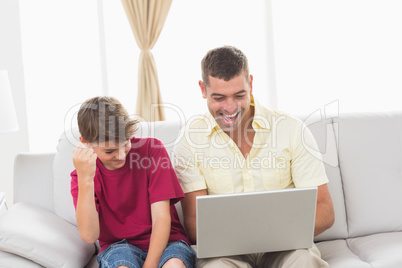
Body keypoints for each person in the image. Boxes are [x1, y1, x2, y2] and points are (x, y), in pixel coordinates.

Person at [173, 46, 335, 268]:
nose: (230, 108)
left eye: (239, 95)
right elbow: (193, 224)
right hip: (224, 254)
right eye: (219, 98)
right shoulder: (190, 141)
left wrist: (271, 234)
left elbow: (325, 210)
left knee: (305, 261)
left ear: (250, 83)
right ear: (203, 89)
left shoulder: (291, 129)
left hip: (286, 248)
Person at [70, 96, 196, 268]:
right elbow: (90, 236)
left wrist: (149, 266)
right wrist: (85, 179)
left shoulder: (153, 151)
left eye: (125, 143)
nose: (121, 155)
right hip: (119, 247)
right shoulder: (82, 176)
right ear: (86, 142)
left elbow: (161, 217)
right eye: (110, 150)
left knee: (174, 265)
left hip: (168, 242)